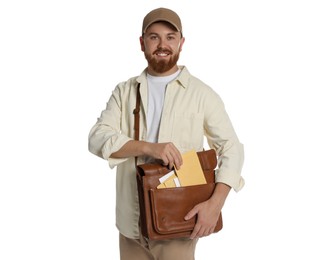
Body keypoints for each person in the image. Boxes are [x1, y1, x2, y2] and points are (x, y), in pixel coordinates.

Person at [88, 7, 244, 260]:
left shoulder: (202, 94)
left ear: (181, 43)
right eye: (154, 37)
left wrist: (215, 205)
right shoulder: (125, 91)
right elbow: (96, 138)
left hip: (179, 224)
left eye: (170, 37)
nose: (163, 44)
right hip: (131, 225)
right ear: (142, 43)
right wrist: (149, 147)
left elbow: (232, 149)